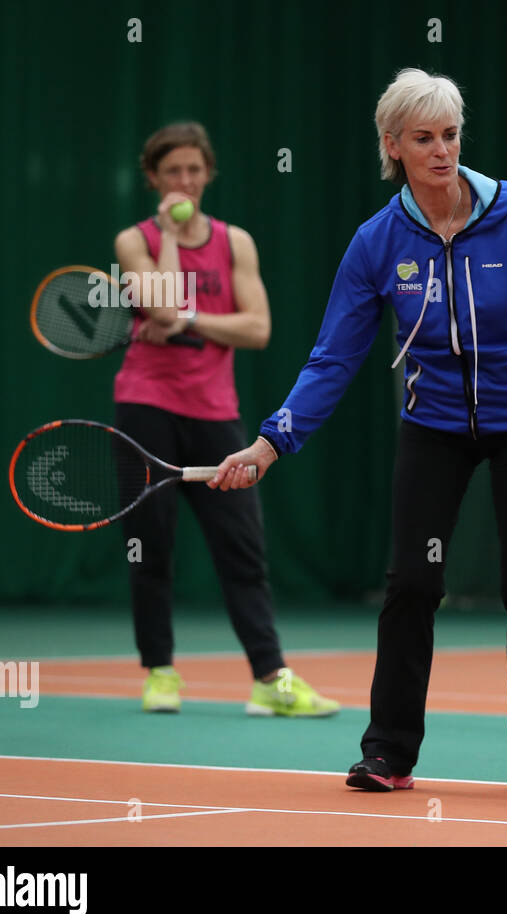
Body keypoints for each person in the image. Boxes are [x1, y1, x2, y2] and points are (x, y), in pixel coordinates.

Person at [210, 69, 507, 794]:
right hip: (433, 425)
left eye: (450, 135)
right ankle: (388, 753)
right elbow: (334, 356)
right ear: (393, 146)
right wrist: (272, 441)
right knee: (412, 582)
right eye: (423, 138)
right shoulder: (378, 242)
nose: (441, 150)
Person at [115, 121, 339, 718]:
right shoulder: (133, 242)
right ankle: (159, 672)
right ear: (154, 180)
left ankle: (271, 680)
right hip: (145, 407)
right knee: (150, 544)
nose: (184, 181)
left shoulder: (235, 242)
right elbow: (157, 303)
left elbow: (258, 328)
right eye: (172, 172)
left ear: (208, 174)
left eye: (194, 169)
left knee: (242, 547)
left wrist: (187, 321)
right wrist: (168, 238)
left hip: (217, 415)